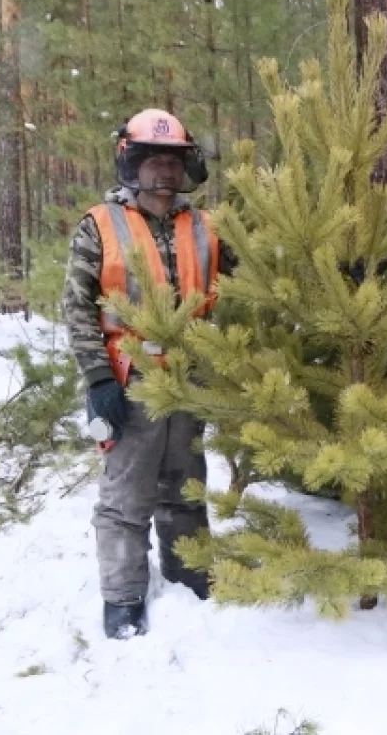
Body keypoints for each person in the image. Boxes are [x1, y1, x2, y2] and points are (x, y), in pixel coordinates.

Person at [63, 109, 234, 639]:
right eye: (152, 160)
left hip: (190, 372)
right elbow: (77, 307)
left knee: (186, 486)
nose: (163, 172)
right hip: (130, 376)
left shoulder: (208, 226)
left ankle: (191, 575)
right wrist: (97, 380)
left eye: (172, 161)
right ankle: (123, 597)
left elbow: (257, 281)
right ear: (131, 164)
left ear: (187, 167)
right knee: (127, 494)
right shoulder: (101, 224)